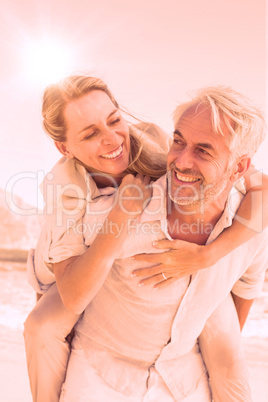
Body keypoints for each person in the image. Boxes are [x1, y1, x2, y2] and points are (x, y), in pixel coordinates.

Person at [23, 76, 268, 401]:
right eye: (91, 133)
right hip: (61, 267)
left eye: (113, 120)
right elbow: (73, 294)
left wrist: (208, 257)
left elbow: (258, 183)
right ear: (65, 147)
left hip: (181, 246)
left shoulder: (152, 138)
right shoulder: (67, 191)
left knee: (228, 359)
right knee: (41, 327)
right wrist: (121, 215)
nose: (112, 140)